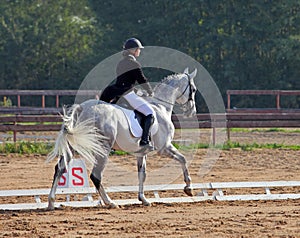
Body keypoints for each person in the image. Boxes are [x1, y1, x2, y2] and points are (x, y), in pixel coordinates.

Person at [100, 38, 155, 151]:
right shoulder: (134, 63)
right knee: (149, 113)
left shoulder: (121, 63)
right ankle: (145, 140)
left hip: (115, 92)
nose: (139, 51)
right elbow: (142, 80)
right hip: (127, 93)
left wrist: (138, 91)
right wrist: (150, 91)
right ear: (134, 50)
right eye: (138, 49)